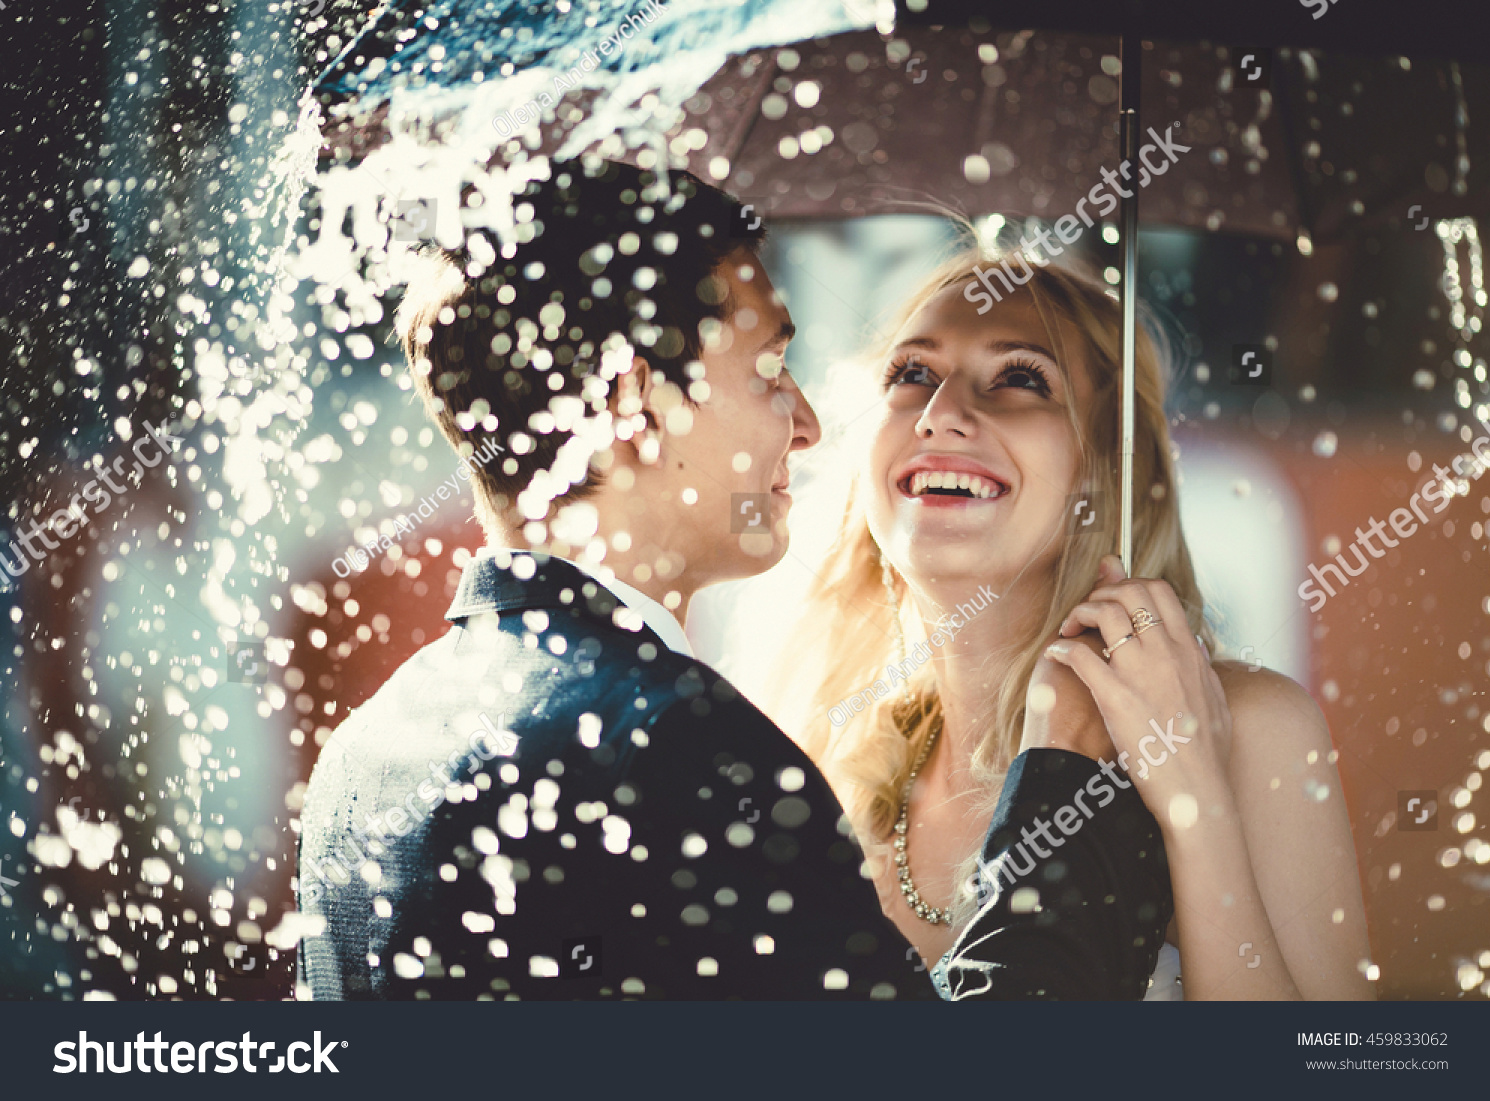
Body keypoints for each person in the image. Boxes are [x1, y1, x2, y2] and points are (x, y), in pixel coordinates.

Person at [295, 160, 1172, 1000]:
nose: (808, 423)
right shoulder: (692, 756)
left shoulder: (360, 759)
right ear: (632, 399)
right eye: (766, 368)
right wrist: (1060, 780)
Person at [786, 238, 1373, 999]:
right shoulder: (830, 768)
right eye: (912, 373)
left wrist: (1195, 807)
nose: (941, 413)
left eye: (1022, 378)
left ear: (1107, 466)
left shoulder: (1251, 728)